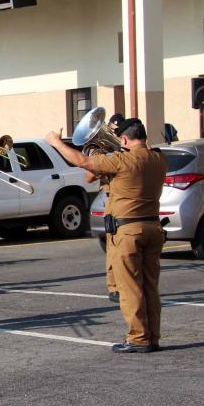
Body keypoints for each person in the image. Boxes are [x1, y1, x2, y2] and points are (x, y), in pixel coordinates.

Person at [46, 118, 167, 352]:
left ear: (123, 139)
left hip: (128, 231)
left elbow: (83, 161)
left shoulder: (122, 160)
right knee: (150, 286)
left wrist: (55, 143)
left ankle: (138, 338)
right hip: (152, 227)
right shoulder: (158, 158)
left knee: (130, 287)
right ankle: (153, 336)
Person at [85, 113, 125, 304]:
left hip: (127, 199)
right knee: (114, 246)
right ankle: (114, 287)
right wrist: (105, 162)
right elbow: (89, 177)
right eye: (113, 129)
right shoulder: (96, 149)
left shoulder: (125, 149)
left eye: (119, 131)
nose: (115, 133)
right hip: (111, 199)